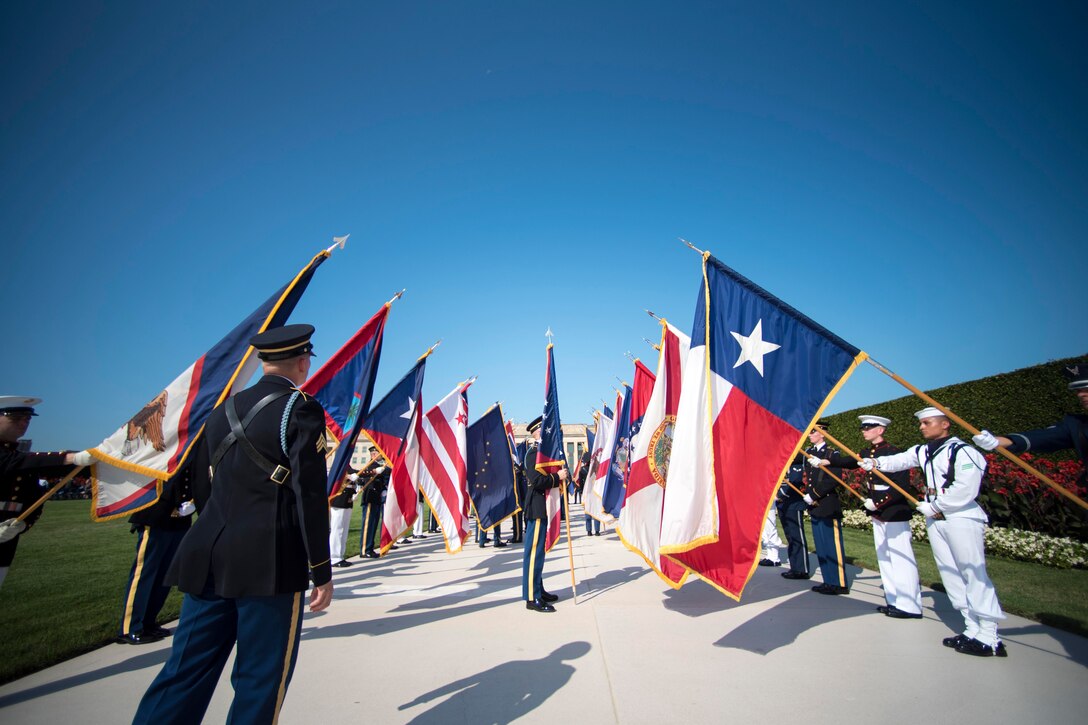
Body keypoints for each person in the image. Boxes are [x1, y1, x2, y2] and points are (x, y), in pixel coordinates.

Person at [133, 324, 334, 723]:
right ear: (301, 360)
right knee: (259, 679)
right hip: (269, 562)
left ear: (263, 362)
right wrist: (320, 569)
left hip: (208, 551)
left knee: (184, 672)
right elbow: (308, 495)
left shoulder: (222, 411)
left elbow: (207, 488)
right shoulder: (301, 408)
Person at [862, 407, 1006, 657]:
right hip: (937, 518)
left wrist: (937, 505)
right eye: (921, 423)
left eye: (927, 422)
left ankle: (990, 635)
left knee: (972, 572)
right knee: (950, 574)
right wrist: (876, 463)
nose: (922, 427)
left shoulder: (963, 451)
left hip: (960, 517)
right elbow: (901, 460)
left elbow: (966, 488)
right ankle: (971, 627)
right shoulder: (923, 450)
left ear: (946, 424)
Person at [821, 415, 922, 618]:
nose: (863, 430)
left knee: (900, 559)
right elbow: (849, 461)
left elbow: (900, 487)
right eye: (863, 427)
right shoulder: (867, 452)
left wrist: (879, 502)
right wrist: (825, 460)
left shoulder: (894, 453)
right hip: (878, 512)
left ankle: (910, 605)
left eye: (868, 427)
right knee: (884, 557)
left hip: (893, 511)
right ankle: (893, 600)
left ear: (880, 430)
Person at [0, 396, 81, 590]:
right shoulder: (15, 460)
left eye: (27, 419)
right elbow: (13, 464)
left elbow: (33, 496)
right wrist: (71, 457)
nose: (24, 423)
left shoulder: (17, 457)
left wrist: (23, 524)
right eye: (16, 418)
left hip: (7, 537)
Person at [973, 362, 1088, 492]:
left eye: (1086, 389)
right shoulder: (1076, 425)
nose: (1080, 394)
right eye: (1078, 390)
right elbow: (1044, 437)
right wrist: (997, 441)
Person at [116, 470, 195, 643]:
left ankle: (148, 622)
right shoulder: (164, 449)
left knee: (165, 575)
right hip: (156, 515)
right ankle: (130, 627)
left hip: (179, 520)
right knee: (145, 573)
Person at [521, 416, 567, 613]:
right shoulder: (533, 454)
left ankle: (538, 589)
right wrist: (557, 477)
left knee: (539, 553)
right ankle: (532, 597)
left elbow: (558, 478)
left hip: (544, 507)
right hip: (537, 507)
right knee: (533, 554)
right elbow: (538, 481)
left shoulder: (546, 455)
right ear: (537, 432)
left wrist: (563, 474)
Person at [803, 423, 849, 595]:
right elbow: (808, 477)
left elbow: (833, 479)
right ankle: (828, 580)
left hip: (827, 503)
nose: (810, 435)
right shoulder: (810, 453)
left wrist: (814, 495)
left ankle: (839, 582)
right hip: (815, 505)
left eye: (813, 432)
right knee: (821, 546)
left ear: (822, 434)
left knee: (832, 545)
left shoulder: (831, 454)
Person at [776, 454, 810, 580]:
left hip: (793, 504)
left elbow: (794, 482)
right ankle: (795, 567)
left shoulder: (795, 465)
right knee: (790, 536)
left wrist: (780, 495)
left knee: (797, 537)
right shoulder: (785, 464)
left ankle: (802, 569)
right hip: (783, 504)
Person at [359, 446, 389, 559]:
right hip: (370, 498)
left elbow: (388, 472)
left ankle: (369, 548)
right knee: (368, 525)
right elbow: (363, 474)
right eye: (379, 453)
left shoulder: (379, 466)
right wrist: (378, 470)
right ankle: (365, 550)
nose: (381, 455)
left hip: (376, 498)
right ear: (373, 455)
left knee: (373, 524)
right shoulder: (371, 466)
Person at [329, 471, 358, 568]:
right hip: (339, 501)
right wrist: (348, 476)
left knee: (344, 531)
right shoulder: (339, 464)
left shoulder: (348, 467)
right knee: (337, 530)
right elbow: (334, 476)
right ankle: (334, 557)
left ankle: (340, 555)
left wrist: (354, 492)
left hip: (347, 501)